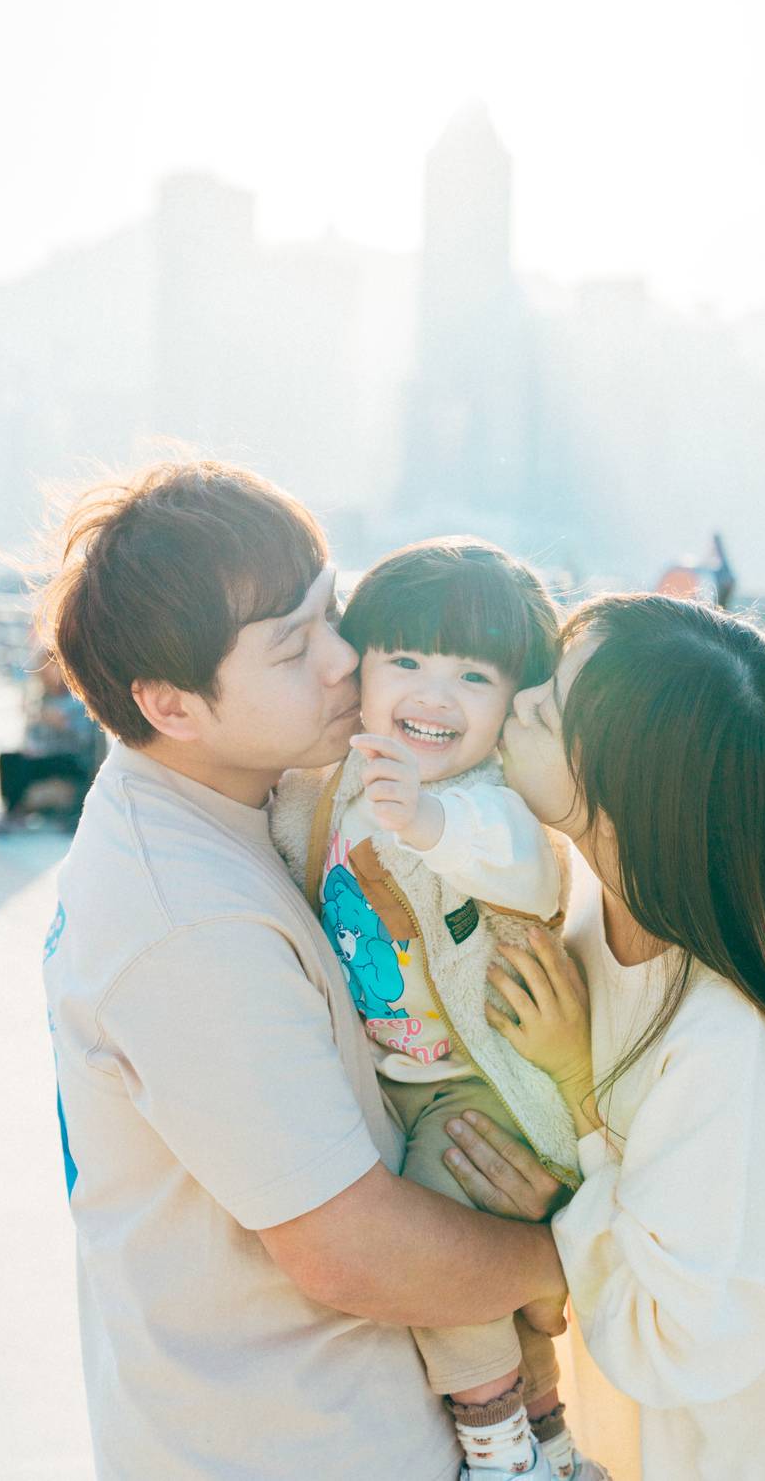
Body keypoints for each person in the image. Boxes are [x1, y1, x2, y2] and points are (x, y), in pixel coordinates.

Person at [36, 461, 569, 1481]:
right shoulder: (185, 919)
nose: (344, 658)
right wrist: (569, 1255)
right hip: (301, 1443)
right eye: (293, 645)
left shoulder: (235, 810)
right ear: (171, 704)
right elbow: (351, 1251)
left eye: (333, 611)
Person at [443, 592, 765, 1481]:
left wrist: (579, 1107)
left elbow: (676, 1343)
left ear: (628, 782)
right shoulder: (601, 906)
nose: (517, 701)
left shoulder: (740, 1037)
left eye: (551, 704)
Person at [271, 539, 607, 1481]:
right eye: (407, 660)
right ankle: (551, 1441)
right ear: (362, 670)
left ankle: (497, 1446)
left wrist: (427, 820)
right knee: (477, 1271)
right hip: (399, 1078)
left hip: (482, 1084)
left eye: (474, 676)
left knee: (434, 1252)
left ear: (511, 702)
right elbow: (286, 830)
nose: (435, 694)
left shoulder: (485, 801)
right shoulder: (333, 783)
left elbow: (528, 867)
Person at [0, 653, 99, 831]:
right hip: (47, 756)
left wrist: (65, 725)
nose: (46, 674)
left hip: (73, 760)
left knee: (35, 764)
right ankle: (13, 811)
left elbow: (86, 740)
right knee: (9, 759)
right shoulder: (43, 700)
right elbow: (33, 738)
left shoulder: (78, 699)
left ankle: (21, 810)